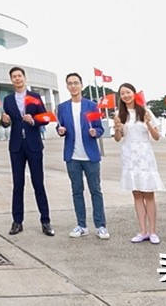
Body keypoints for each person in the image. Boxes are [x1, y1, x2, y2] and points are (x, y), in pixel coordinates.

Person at [0, 66, 53, 236]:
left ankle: (45, 221)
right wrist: (5, 121)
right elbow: (6, 122)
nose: (17, 79)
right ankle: (17, 221)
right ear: (11, 80)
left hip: (34, 145)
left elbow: (45, 118)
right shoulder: (8, 99)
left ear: (24, 78)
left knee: (38, 183)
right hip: (16, 146)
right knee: (18, 184)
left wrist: (34, 121)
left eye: (19, 76)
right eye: (14, 76)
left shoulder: (35, 97)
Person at [55, 73, 109, 240]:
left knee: (96, 190)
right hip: (73, 156)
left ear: (81, 85)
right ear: (67, 86)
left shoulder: (91, 106)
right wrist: (60, 131)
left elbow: (100, 129)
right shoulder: (62, 107)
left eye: (76, 83)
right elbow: (60, 127)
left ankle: (100, 226)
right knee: (76, 191)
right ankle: (81, 225)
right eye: (70, 83)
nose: (73, 86)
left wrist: (95, 132)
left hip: (90, 155)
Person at [113, 82, 164, 244]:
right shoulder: (119, 114)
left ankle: (153, 231)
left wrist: (148, 122)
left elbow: (156, 137)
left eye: (128, 92)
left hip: (145, 155)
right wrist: (117, 128)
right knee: (136, 194)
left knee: (148, 193)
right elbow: (118, 139)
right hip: (129, 156)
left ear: (134, 93)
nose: (126, 95)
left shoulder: (145, 112)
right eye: (122, 93)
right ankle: (142, 230)